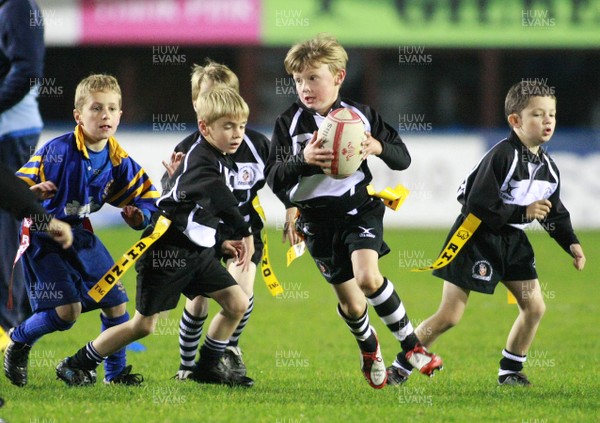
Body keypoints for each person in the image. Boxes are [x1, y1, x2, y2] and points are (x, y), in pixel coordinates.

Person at [265, 34, 442, 389]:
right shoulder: (288, 124)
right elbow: (273, 177)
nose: (304, 87)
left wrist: (377, 146)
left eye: (313, 77)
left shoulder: (360, 115)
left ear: (339, 77)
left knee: (368, 278)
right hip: (316, 221)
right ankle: (369, 348)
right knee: (352, 305)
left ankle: (411, 348)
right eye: (298, 80)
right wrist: (303, 161)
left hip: (359, 210)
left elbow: (402, 157)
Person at [54, 87, 255, 388]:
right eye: (228, 126)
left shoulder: (221, 156)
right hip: (166, 252)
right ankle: (77, 362)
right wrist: (243, 229)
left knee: (237, 303)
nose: (237, 133)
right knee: (143, 326)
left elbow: (201, 213)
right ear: (205, 127)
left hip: (197, 255)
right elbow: (219, 198)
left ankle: (208, 367)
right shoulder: (201, 159)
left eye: (241, 126)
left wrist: (221, 241)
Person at [414, 80, 586, 386]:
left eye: (552, 115)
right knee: (450, 316)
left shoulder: (549, 166)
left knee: (534, 307)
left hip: (512, 241)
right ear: (515, 120)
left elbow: (554, 212)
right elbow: (476, 204)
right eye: (538, 114)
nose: (547, 121)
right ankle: (403, 362)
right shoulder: (503, 156)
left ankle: (510, 371)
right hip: (475, 237)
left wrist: (570, 242)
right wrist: (523, 212)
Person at [4, 74, 159, 387]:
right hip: (45, 236)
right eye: (96, 108)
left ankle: (114, 376)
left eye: (112, 109)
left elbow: (149, 199)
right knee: (67, 313)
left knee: (116, 302)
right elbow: (14, 186)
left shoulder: (118, 159)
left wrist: (139, 218)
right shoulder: (56, 151)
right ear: (78, 115)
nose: (105, 115)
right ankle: (18, 342)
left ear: (120, 115)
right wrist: (33, 194)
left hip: (82, 236)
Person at [161, 60, 269, 380]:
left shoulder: (256, 144)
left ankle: (226, 354)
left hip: (243, 228)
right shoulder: (189, 149)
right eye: (210, 97)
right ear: (198, 104)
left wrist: (294, 206)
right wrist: (169, 181)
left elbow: (280, 177)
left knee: (242, 294)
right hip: (204, 231)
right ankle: (186, 365)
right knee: (199, 301)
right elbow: (175, 194)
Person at [0, 0, 45, 344]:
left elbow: (28, 68)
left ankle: (7, 324)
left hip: (10, 132)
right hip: (11, 130)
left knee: (6, 228)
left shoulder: (17, 6)